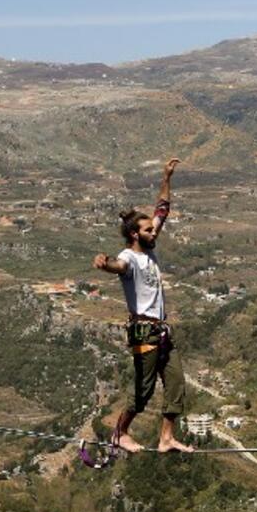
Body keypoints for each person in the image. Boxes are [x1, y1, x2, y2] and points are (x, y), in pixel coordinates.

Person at [93, 158, 193, 454]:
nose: (154, 232)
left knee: (176, 384)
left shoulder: (148, 247)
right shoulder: (130, 258)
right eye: (149, 230)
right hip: (144, 332)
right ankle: (120, 433)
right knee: (143, 390)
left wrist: (167, 177)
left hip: (161, 331)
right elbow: (118, 266)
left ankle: (166, 438)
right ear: (135, 235)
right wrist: (105, 263)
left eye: (153, 229)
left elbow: (162, 209)